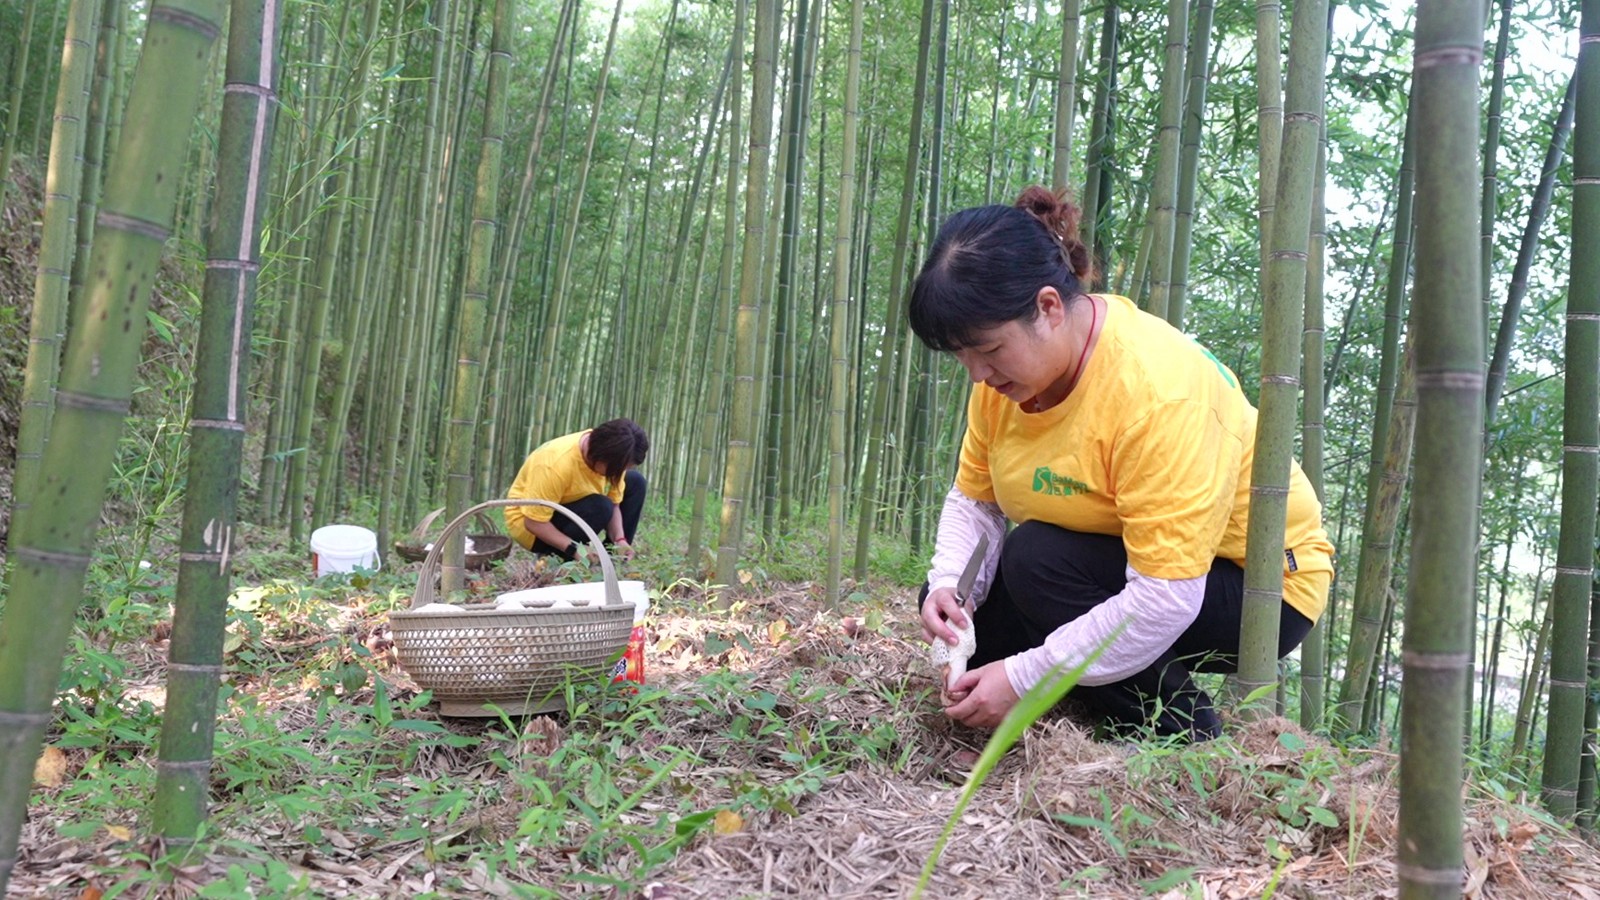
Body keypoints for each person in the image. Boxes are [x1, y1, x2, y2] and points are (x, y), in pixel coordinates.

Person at [912, 186, 1334, 741]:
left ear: (1047, 307)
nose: (977, 375)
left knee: (1038, 562)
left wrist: (1025, 676)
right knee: (964, 615)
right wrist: (950, 583)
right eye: (961, 356)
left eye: (988, 351)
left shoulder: (1157, 391)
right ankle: (1086, 697)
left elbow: (1165, 595)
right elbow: (977, 502)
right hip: (1116, 562)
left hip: (1256, 586)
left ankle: (1186, 731)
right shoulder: (1004, 383)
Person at [505, 418, 649, 562]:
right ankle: (557, 555)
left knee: (636, 482)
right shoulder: (554, 465)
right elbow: (533, 523)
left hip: (569, 504)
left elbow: (615, 503)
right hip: (530, 526)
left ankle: (612, 559)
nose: (619, 473)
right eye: (619, 469)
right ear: (601, 457)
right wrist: (573, 549)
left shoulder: (614, 453)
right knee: (600, 507)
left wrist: (620, 540)